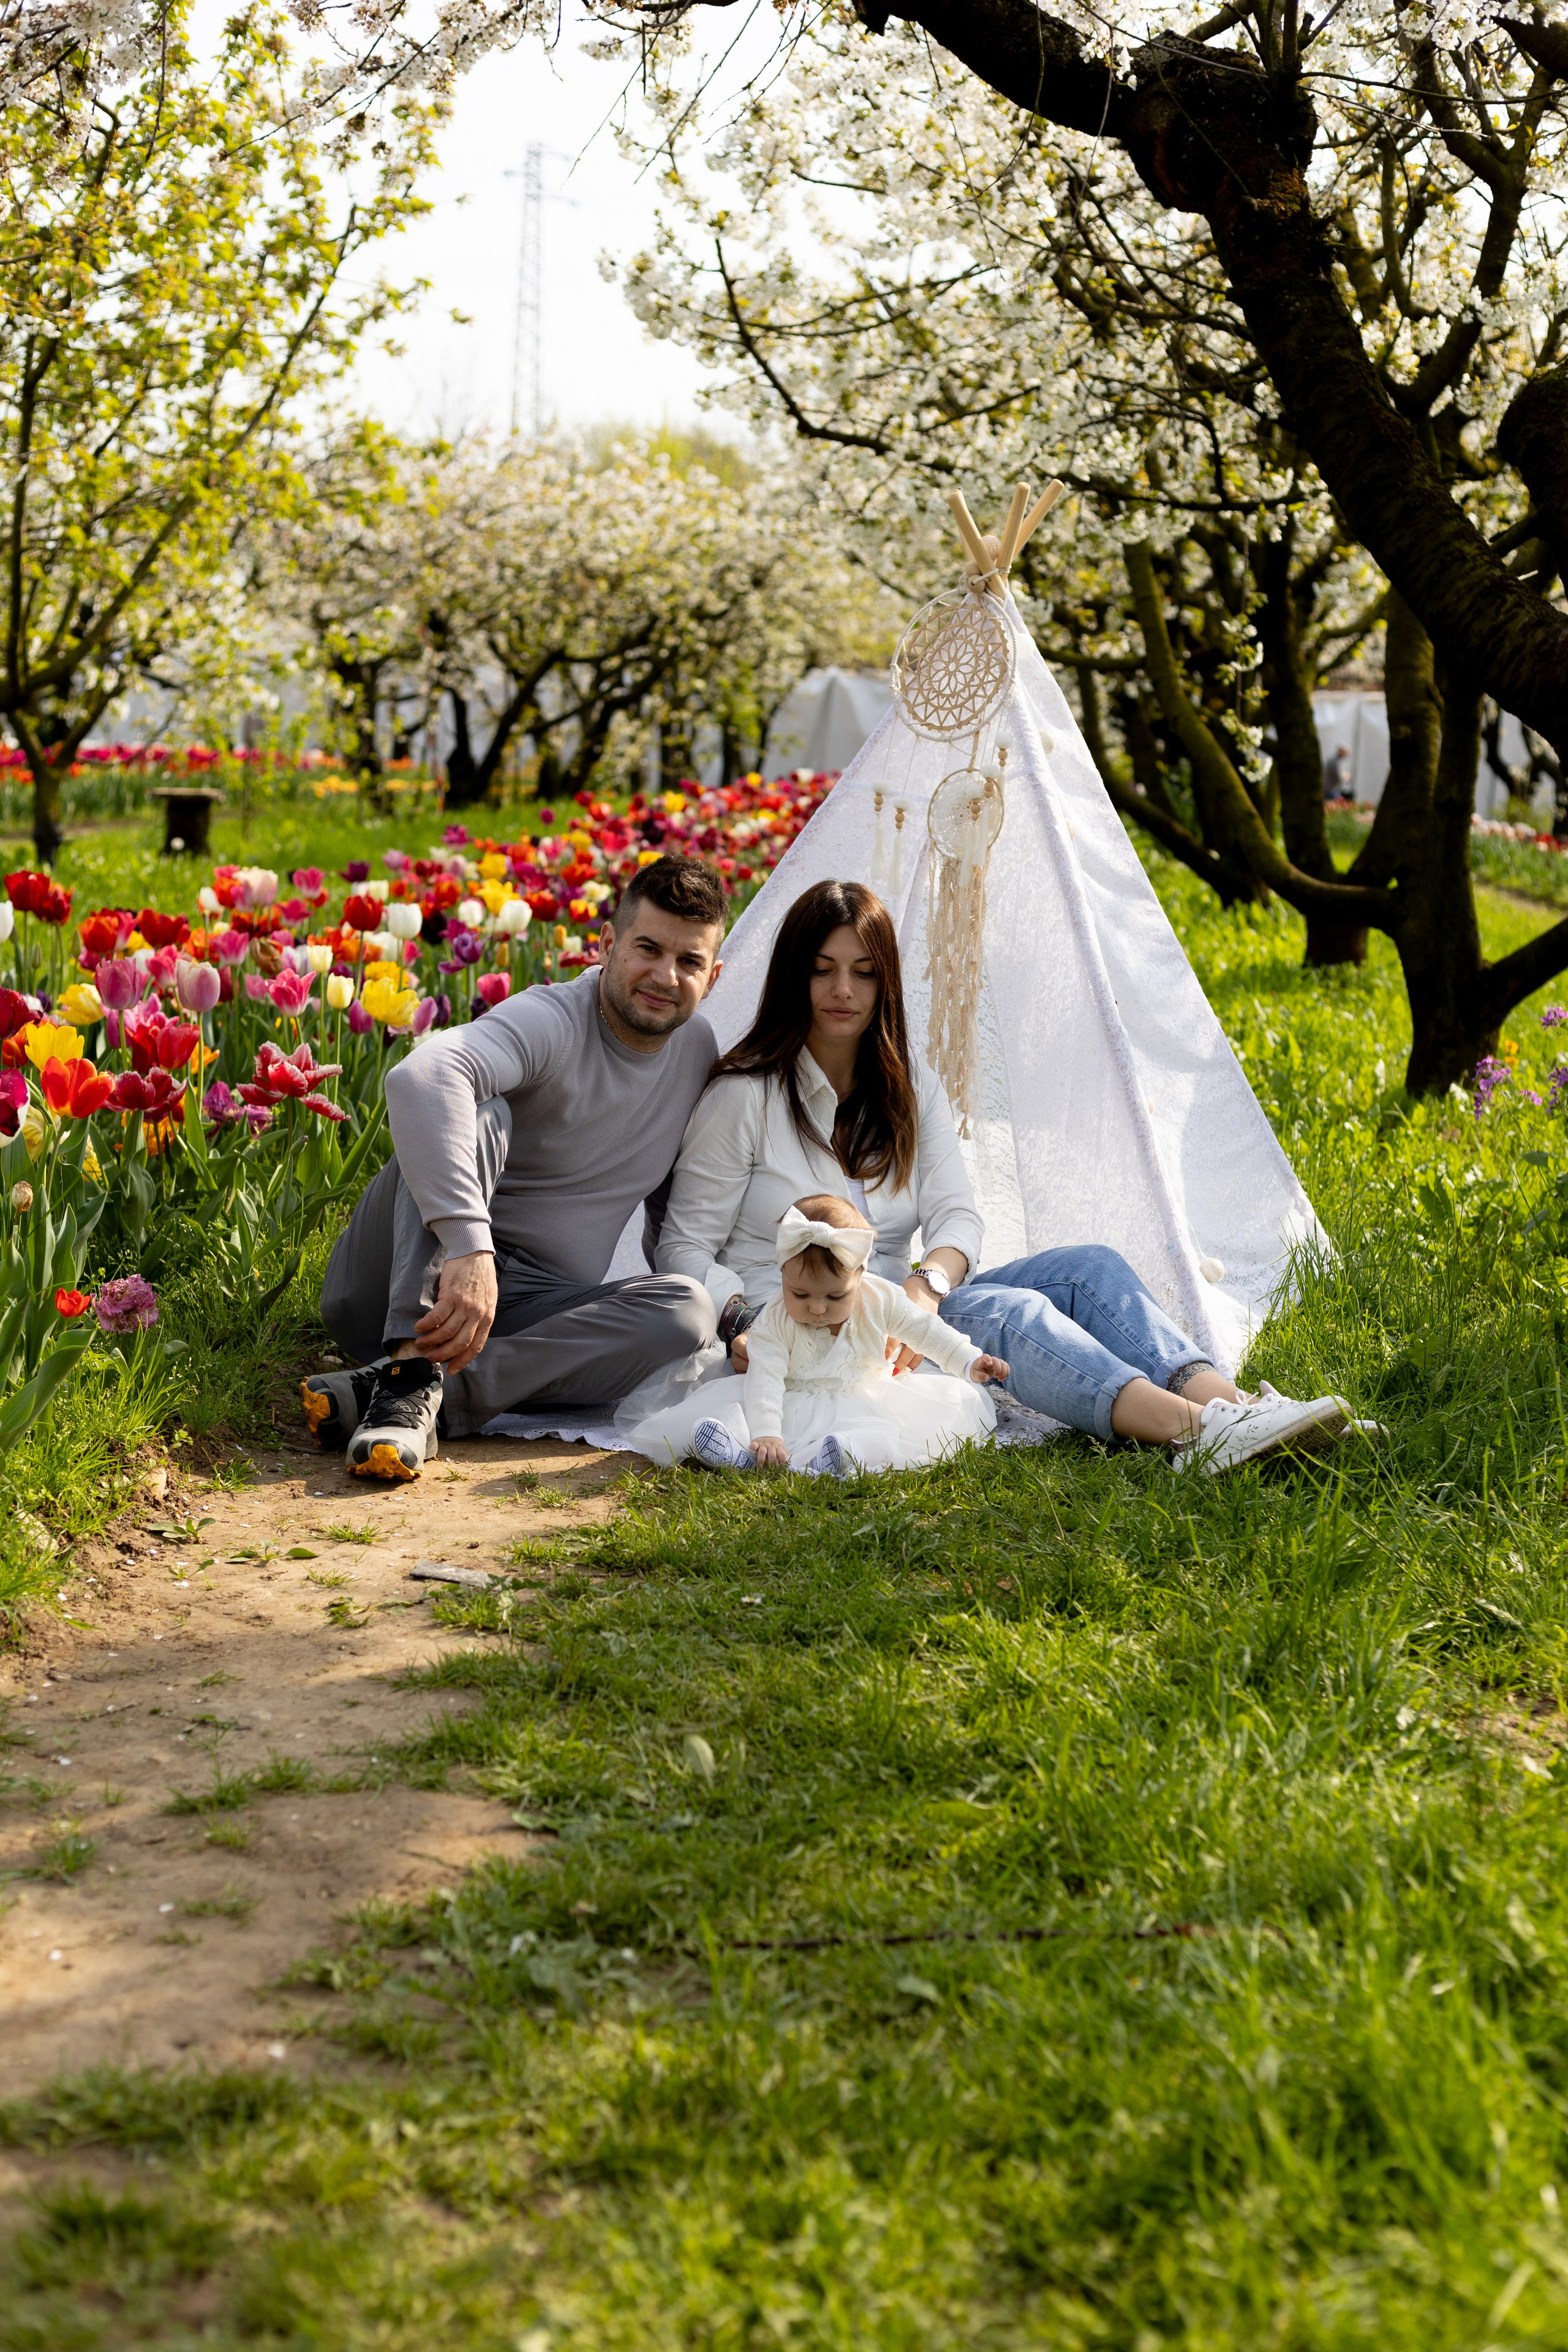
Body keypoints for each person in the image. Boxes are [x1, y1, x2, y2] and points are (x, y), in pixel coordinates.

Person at [655, 877, 1359, 1475]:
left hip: (900, 1312)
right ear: (792, 977)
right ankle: (1194, 1434)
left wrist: (927, 1286)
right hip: (807, 1328)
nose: (844, 989)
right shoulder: (744, 1096)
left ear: (886, 982)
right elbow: (682, 1250)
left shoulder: (908, 1087)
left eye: (865, 971)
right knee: (1010, 1314)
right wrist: (742, 1320)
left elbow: (959, 1217)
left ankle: (1241, 1410)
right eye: (823, 968)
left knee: (1090, 1267)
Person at [300, 853, 727, 1480]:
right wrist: (470, 1248)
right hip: (403, 1275)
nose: (665, 975)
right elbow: (420, 1075)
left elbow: (675, 1218)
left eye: (689, 961)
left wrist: (745, 1318)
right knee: (479, 1111)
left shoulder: (696, 1052)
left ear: (711, 976)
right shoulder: (553, 1019)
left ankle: (425, 1395)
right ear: (606, 944)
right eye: (647, 949)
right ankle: (408, 1368)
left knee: (688, 1311)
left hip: (524, 1307)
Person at [626, 1193, 1009, 1474]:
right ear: (782, 1276)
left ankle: (835, 1459)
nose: (817, 1308)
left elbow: (926, 1330)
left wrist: (967, 1359)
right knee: (748, 1418)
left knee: (885, 1432)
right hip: (792, 1400)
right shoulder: (776, 1318)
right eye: (800, 1293)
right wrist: (767, 1432)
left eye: (835, 1295)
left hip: (866, 1396)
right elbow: (765, 1378)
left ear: (861, 1277)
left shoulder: (881, 1300)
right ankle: (747, 1454)